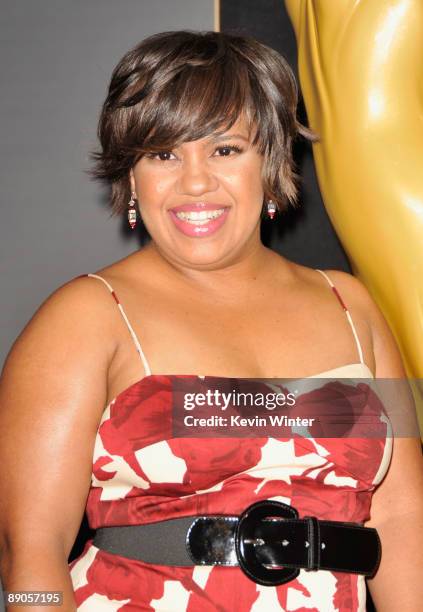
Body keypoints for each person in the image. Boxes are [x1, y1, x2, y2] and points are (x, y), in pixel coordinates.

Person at [0, 30, 422, 612]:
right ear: (132, 176)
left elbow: (403, 520)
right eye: (163, 154)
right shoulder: (85, 317)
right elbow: (26, 554)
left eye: (225, 149)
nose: (195, 182)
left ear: (270, 159)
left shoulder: (352, 307)